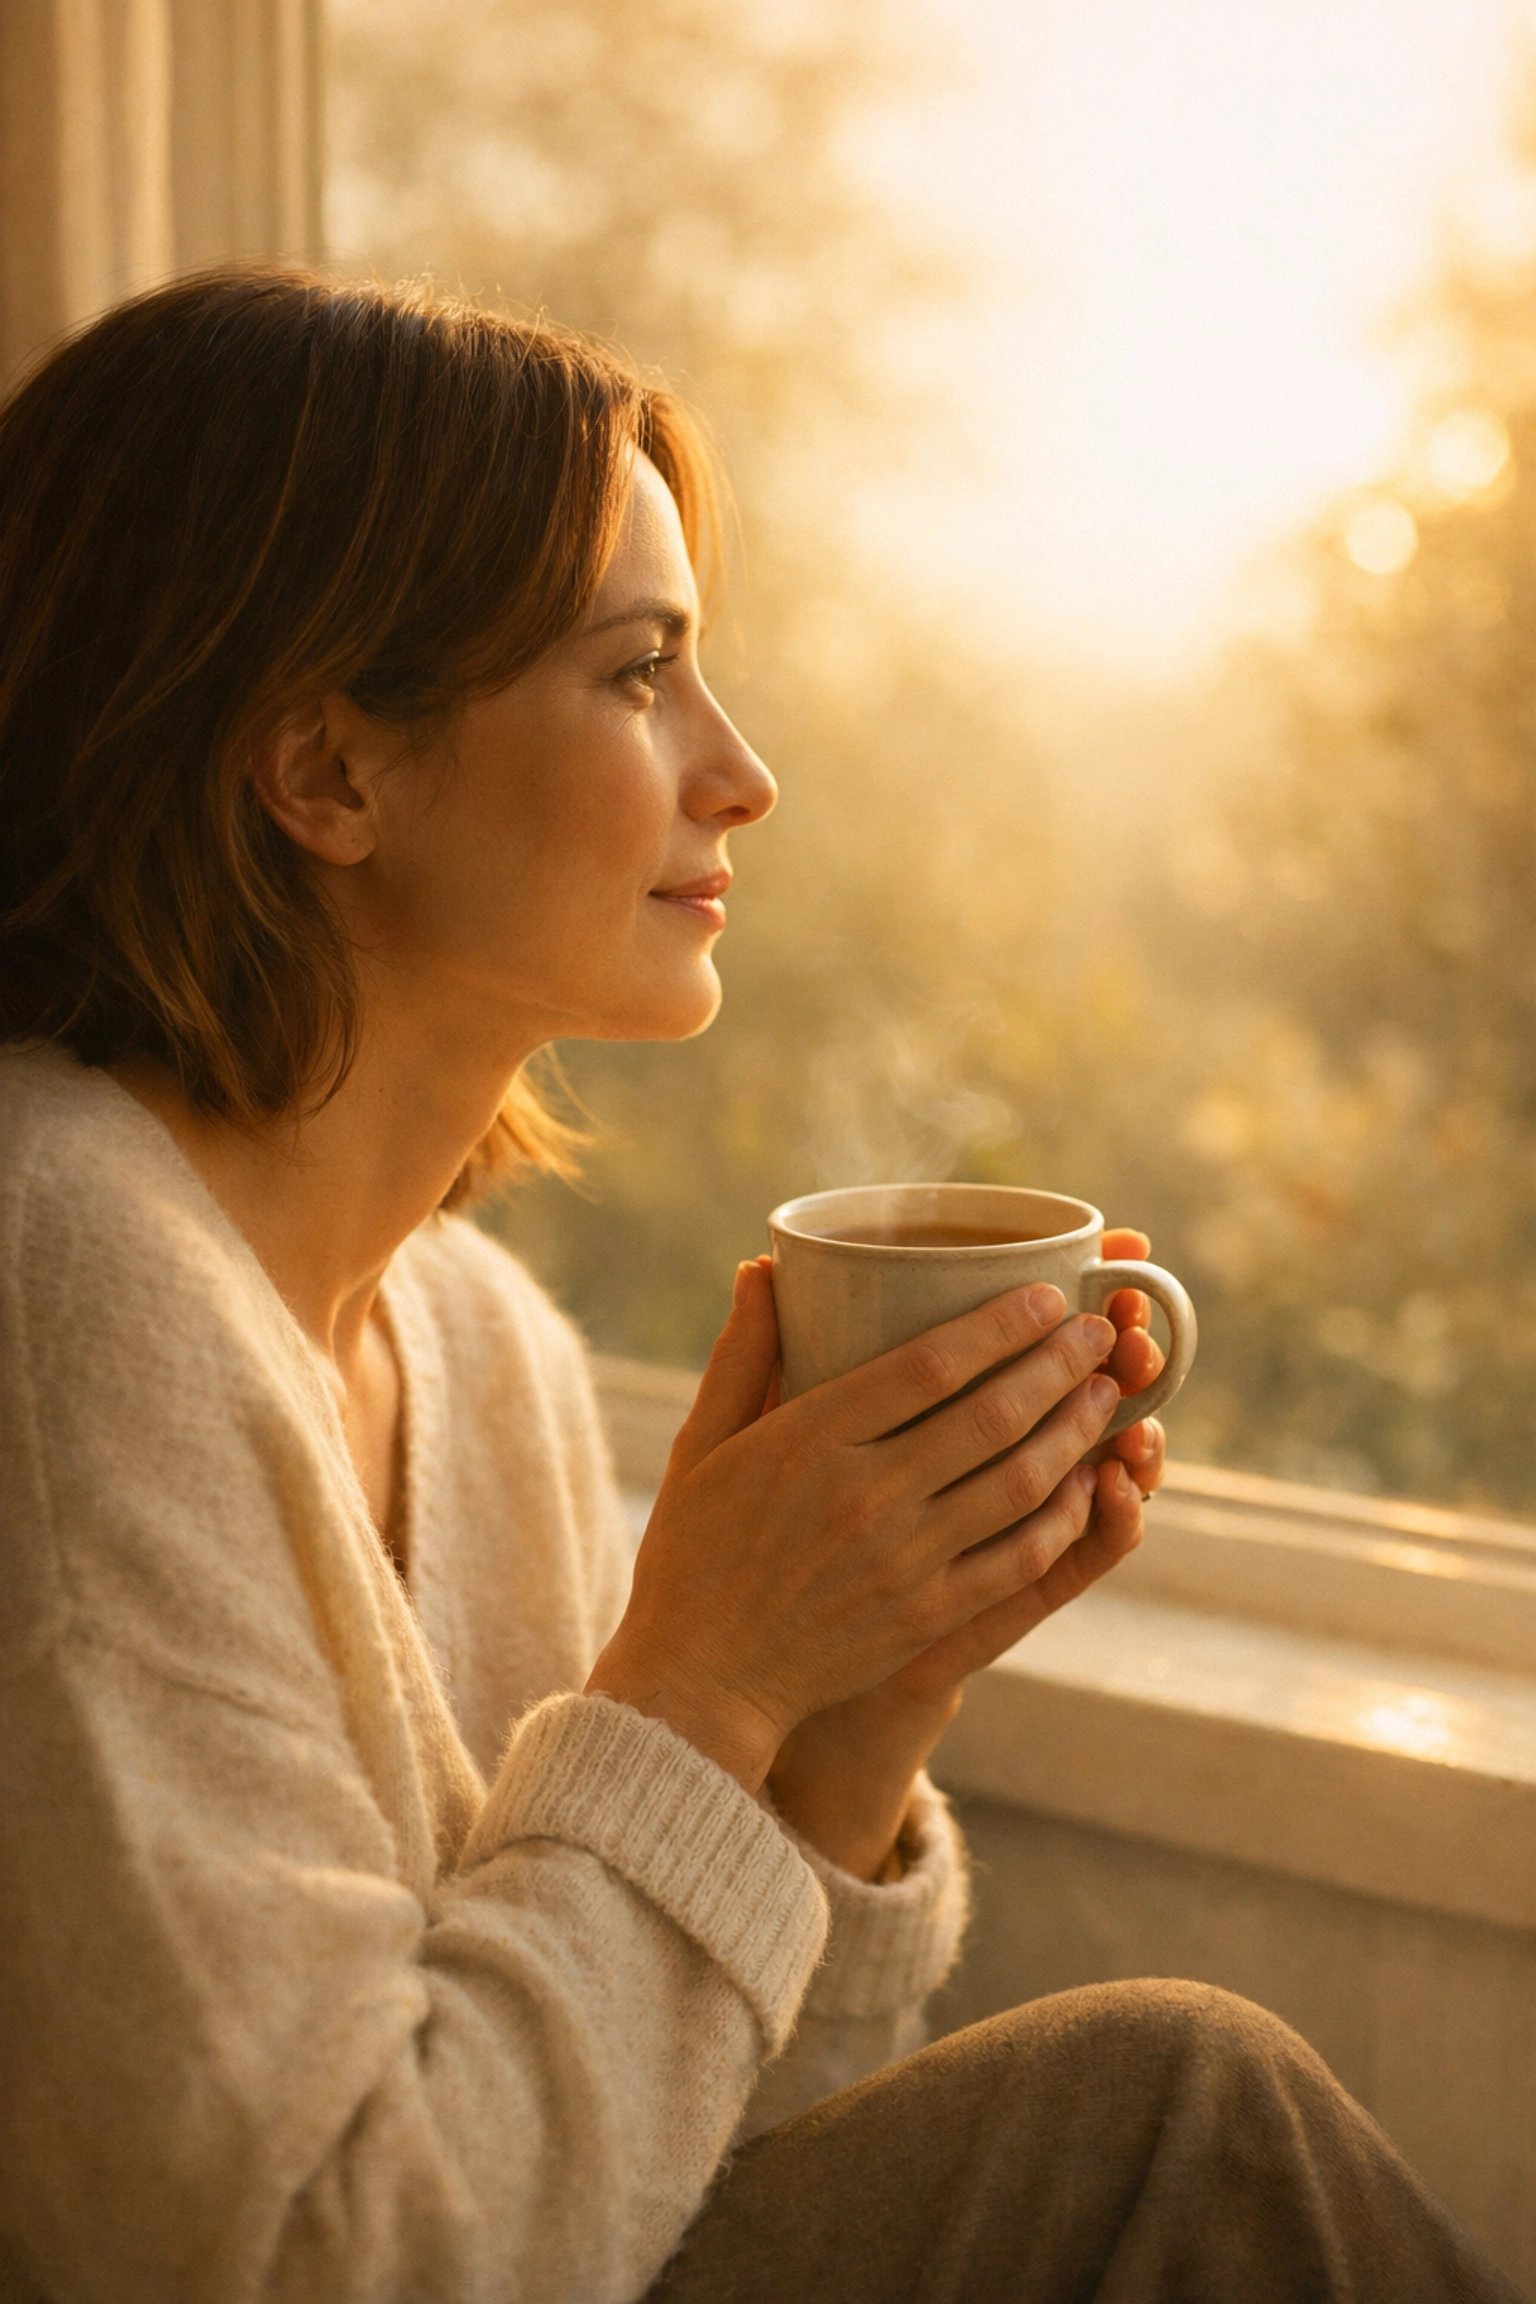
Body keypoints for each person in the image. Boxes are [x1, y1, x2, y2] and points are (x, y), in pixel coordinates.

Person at [0, 268, 1517, 2304]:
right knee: (1171, 2109)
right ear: (329, 772)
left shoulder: (483, 1348)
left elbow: (659, 2176)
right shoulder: (59, 1280)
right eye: (640, 674)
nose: (743, 772)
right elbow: (317, 2263)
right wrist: (701, 1682)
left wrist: (847, 1724)